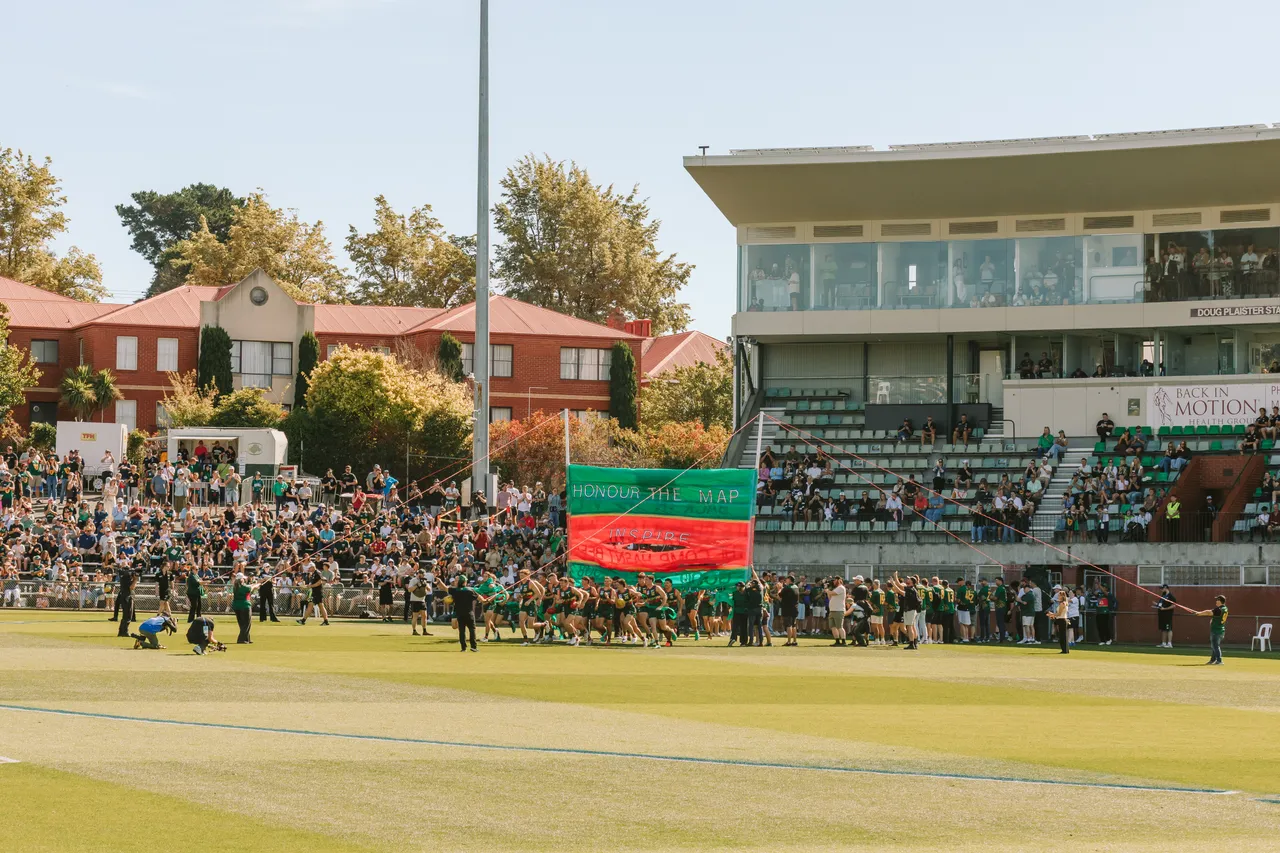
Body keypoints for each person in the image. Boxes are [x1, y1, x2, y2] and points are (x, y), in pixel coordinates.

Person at [1191, 595, 1228, 665]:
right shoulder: (1225, 608)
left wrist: (1199, 613)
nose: (1216, 601)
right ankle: (1212, 660)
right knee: (1215, 646)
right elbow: (1215, 615)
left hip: (1216, 631)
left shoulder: (1219, 609)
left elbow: (1208, 612)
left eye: (1217, 600)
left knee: (1215, 646)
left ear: (1220, 601)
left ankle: (1219, 661)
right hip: (1221, 630)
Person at [231, 572, 259, 644]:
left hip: (237, 607)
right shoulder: (243, 587)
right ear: (241, 579)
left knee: (242, 624)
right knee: (246, 624)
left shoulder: (236, 587)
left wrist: (254, 584)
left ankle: (247, 638)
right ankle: (241, 639)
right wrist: (257, 585)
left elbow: (248, 586)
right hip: (245, 606)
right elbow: (251, 588)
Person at [1155, 584, 1177, 649]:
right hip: (1162, 615)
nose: (1161, 590)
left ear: (1166, 588)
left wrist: (1165, 609)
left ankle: (1169, 643)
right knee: (1163, 629)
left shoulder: (1170, 596)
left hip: (1168, 616)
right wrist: (1157, 605)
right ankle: (1163, 643)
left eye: (1162, 588)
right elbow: (1161, 604)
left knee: (1168, 629)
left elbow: (1174, 605)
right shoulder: (1163, 595)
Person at [1051, 587, 1070, 654]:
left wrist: (1052, 614)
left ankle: (1064, 650)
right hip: (1061, 620)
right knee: (1063, 636)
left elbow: (1059, 613)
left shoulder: (1062, 604)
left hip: (1062, 620)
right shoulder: (1063, 603)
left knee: (1063, 636)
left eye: (1059, 595)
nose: (1058, 597)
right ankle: (1065, 649)